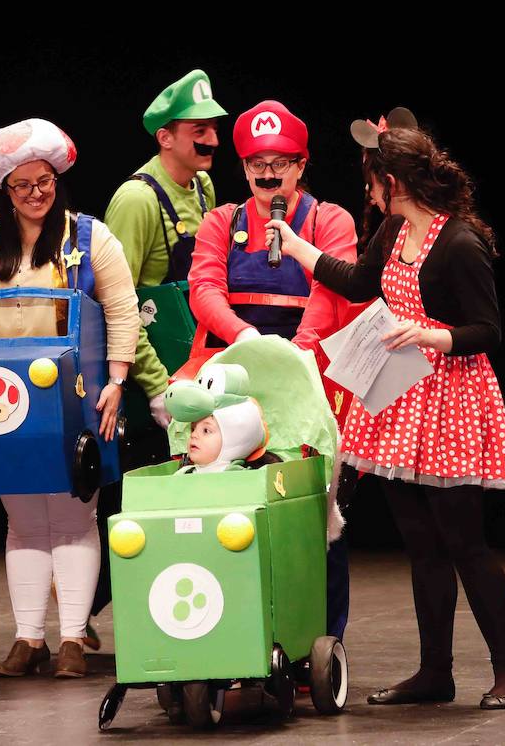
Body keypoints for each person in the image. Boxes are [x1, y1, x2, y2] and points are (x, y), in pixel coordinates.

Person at [264, 109, 505, 709]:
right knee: (422, 544)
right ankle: (435, 671)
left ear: (395, 182)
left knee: (464, 542)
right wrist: (300, 247)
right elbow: (359, 283)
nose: (369, 190)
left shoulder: (459, 242)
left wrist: (431, 336)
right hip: (400, 397)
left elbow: (488, 330)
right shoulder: (391, 232)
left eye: (373, 179)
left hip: (450, 400)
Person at [0, 118, 138, 679]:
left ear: (57, 179)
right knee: (23, 521)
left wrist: (117, 383)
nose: (35, 193)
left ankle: (74, 639)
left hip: (78, 396)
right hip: (4, 401)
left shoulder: (90, 238)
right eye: (22, 185)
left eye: (44, 180)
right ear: (5, 190)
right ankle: (29, 638)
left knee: (77, 513)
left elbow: (124, 311)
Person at [186, 99, 360, 639]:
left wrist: (294, 355)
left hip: (308, 376)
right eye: (256, 162)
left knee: (314, 516)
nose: (267, 173)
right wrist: (246, 342)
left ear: (301, 165)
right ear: (243, 168)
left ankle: (319, 639)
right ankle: (224, 629)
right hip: (233, 374)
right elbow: (205, 289)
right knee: (217, 504)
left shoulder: (330, 220)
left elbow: (332, 290)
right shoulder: (221, 221)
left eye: (279, 162)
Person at [95, 68, 225, 645]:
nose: (212, 141)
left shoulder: (202, 189)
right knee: (132, 501)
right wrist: (153, 387)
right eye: (199, 130)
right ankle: (107, 611)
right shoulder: (136, 199)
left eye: (214, 131)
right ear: (164, 137)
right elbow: (116, 302)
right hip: (153, 376)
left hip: (194, 367)